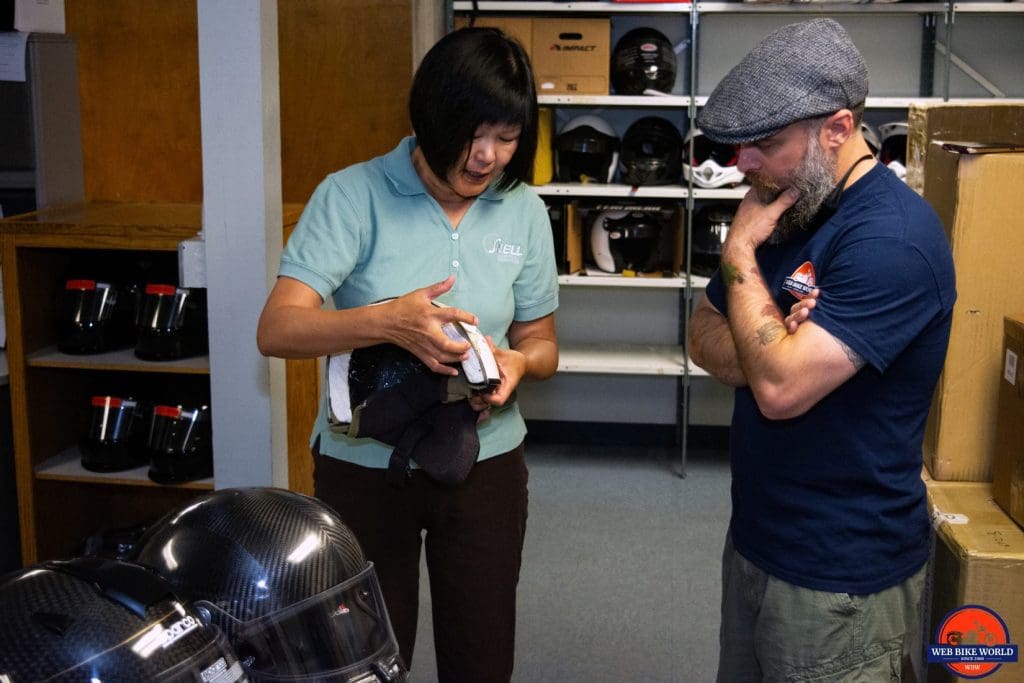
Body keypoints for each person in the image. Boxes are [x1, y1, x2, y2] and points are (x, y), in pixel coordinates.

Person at [256, 27, 559, 683]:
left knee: (481, 657)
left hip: (486, 460)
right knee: (364, 663)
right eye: (471, 135)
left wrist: (518, 366)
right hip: (364, 465)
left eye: (507, 138)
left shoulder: (524, 210)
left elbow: (543, 343)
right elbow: (277, 329)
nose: (486, 156)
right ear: (428, 119)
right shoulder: (351, 195)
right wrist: (387, 322)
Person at [687, 19, 956, 682]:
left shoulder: (891, 239)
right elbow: (701, 334)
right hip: (758, 539)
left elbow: (778, 389)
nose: (746, 163)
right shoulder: (792, 199)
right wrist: (774, 335)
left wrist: (739, 255)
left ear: (837, 129)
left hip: (842, 577)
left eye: (767, 143)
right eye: (743, 145)